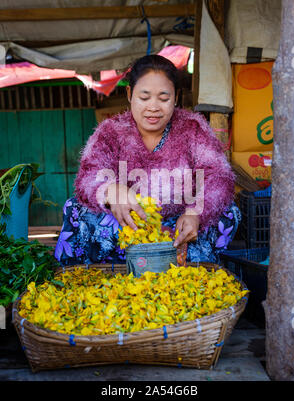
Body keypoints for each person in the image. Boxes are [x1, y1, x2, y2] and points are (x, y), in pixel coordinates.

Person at [54, 55, 240, 266]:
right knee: (76, 209)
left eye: (163, 98)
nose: (153, 107)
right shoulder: (111, 131)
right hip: (127, 225)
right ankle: (115, 266)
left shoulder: (192, 128)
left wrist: (196, 212)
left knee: (229, 212)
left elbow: (219, 177)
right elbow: (87, 179)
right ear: (129, 94)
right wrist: (110, 190)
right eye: (144, 98)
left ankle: (187, 263)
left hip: (179, 226)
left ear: (176, 97)